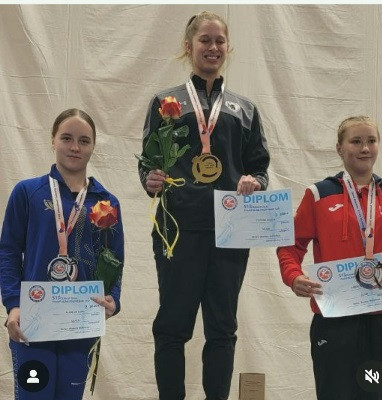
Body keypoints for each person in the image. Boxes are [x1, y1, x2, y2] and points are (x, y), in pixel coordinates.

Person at [138, 11, 270, 400]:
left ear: (228, 47)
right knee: (171, 326)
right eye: (205, 40)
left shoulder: (245, 109)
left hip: (231, 231)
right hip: (177, 229)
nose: (213, 47)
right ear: (189, 46)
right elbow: (149, 162)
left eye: (219, 41)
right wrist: (149, 178)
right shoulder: (165, 102)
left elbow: (260, 168)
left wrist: (255, 182)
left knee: (222, 328)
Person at [277, 116, 382, 400]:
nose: (364, 148)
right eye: (355, 141)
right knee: (334, 393)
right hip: (334, 320)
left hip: (381, 323)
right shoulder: (319, 194)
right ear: (339, 148)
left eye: (371, 141)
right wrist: (293, 276)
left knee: (371, 393)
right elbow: (290, 244)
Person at [0, 108, 124, 400]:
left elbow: (115, 259)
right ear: (52, 140)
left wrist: (113, 299)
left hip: (78, 325)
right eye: (67, 138)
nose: (75, 147)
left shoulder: (106, 202)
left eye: (84, 140)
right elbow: (8, 253)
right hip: (33, 323)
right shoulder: (27, 192)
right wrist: (13, 305)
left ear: (93, 146)